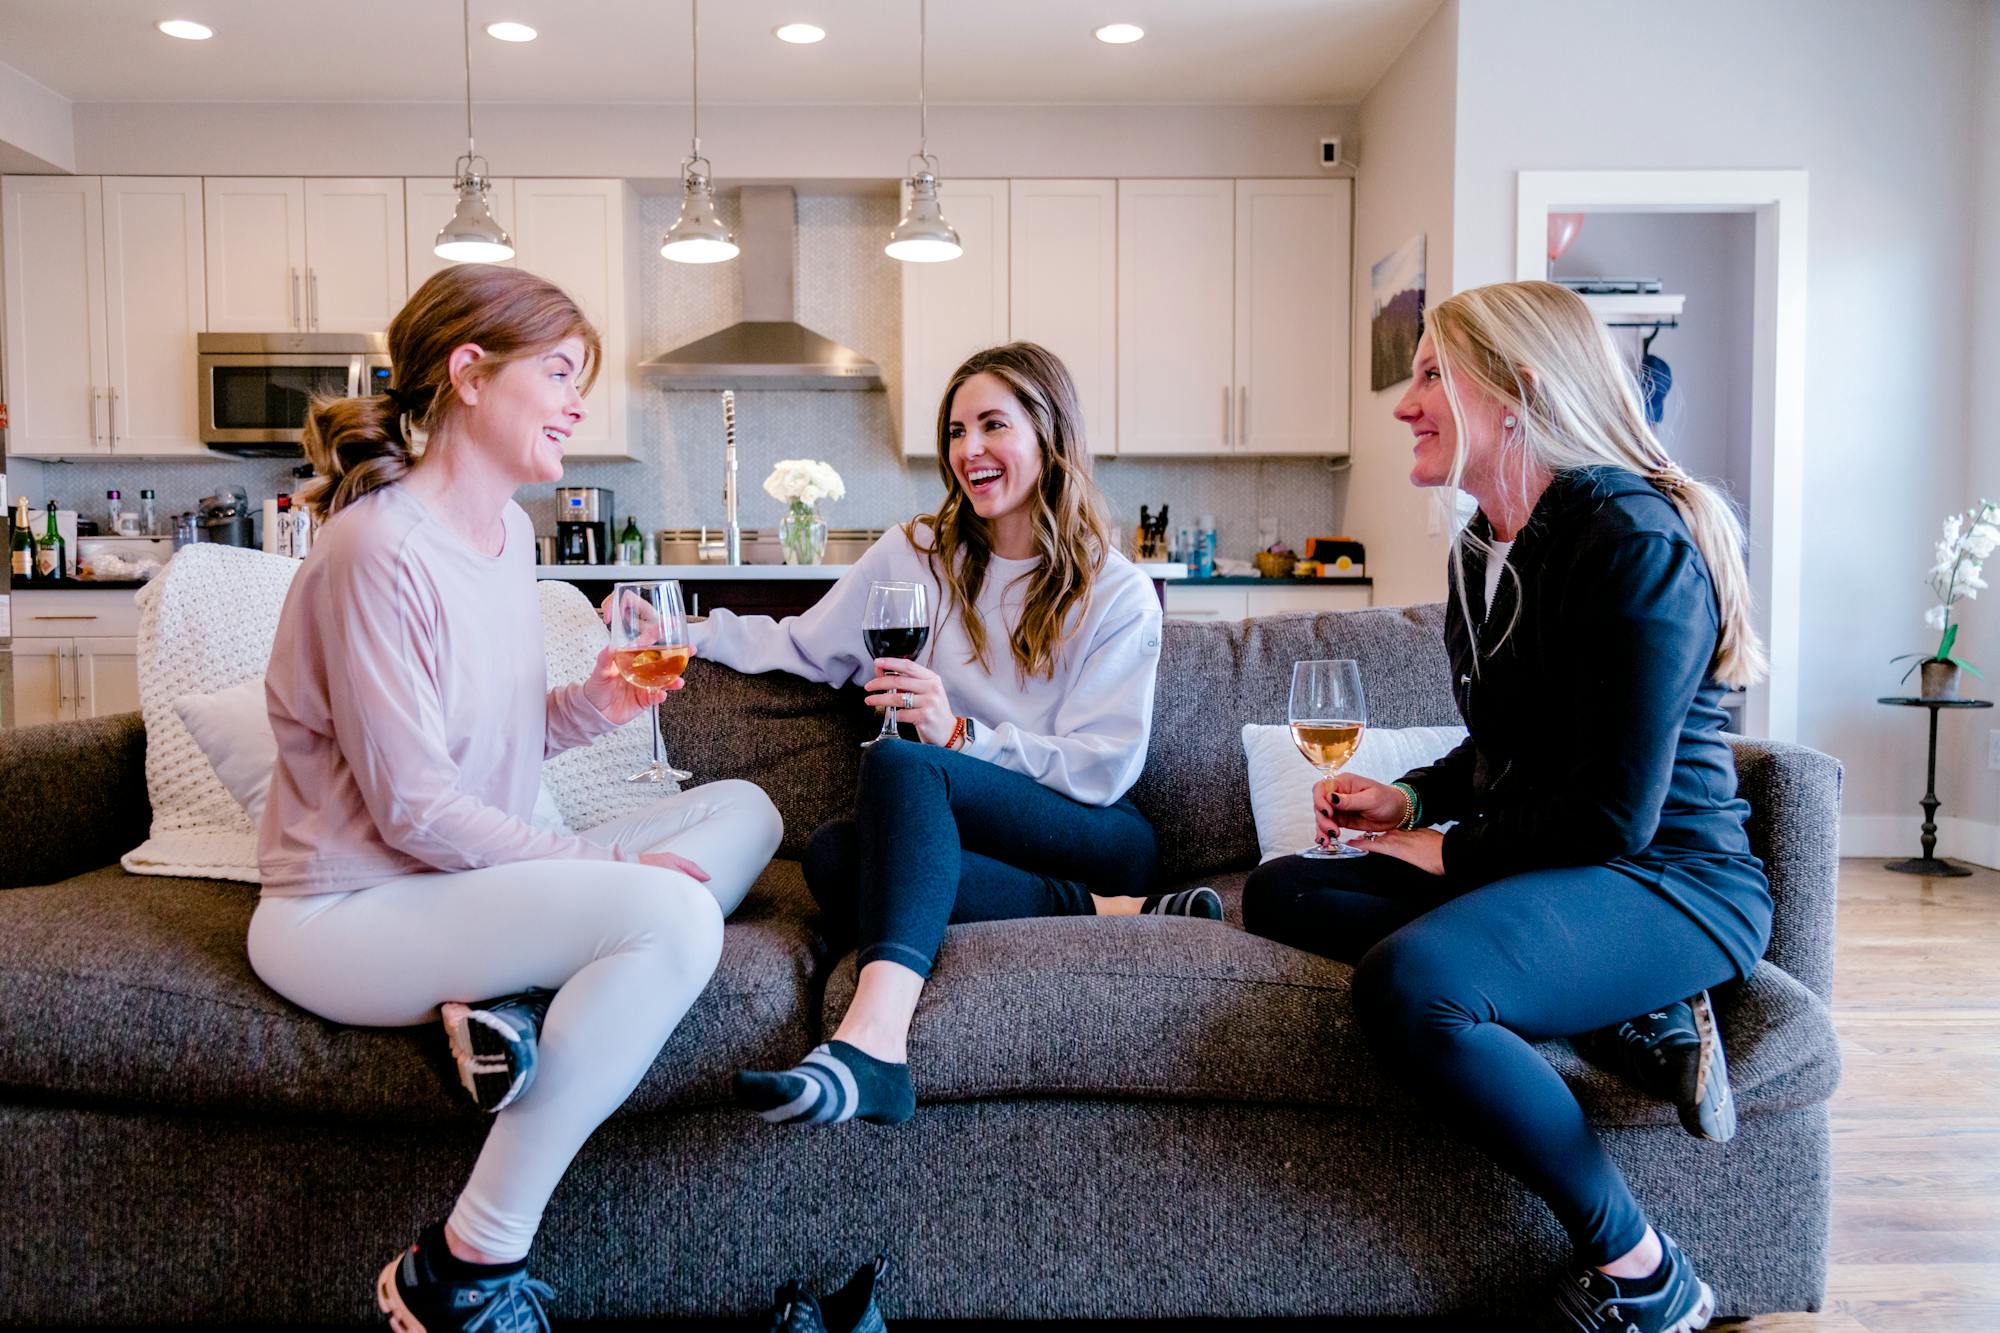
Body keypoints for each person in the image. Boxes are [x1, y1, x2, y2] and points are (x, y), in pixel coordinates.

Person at [247, 263, 782, 1333]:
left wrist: (592, 702)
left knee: (751, 814)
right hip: (347, 909)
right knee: (669, 911)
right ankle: (465, 1266)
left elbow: (496, 732)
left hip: (460, 889)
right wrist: (601, 868)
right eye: (559, 371)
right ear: (469, 375)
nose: (580, 402)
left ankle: (510, 1004)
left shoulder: (511, 543)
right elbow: (415, 809)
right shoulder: (375, 551)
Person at [1242, 280, 1771, 1333]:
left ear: (1519, 393)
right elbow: (1501, 748)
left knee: (1412, 983)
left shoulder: (1633, 540)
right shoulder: (1484, 547)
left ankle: (1645, 1270)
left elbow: (1610, 815)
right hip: (1565, 868)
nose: (1403, 403)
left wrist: (1442, 852)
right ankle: (1624, 1009)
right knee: (1284, 890)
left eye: (1432, 373)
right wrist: (1406, 797)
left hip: (1667, 882)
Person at [690, 341, 1202, 1129]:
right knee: (836, 857)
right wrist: (684, 630)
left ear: (1049, 432)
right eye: (956, 431)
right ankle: (1105, 911)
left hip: (1092, 830)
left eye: (992, 425)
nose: (969, 451)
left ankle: (874, 1045)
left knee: (903, 762)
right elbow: (804, 644)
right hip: (975, 835)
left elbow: (1100, 772)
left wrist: (961, 732)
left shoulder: (1116, 591)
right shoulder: (915, 554)